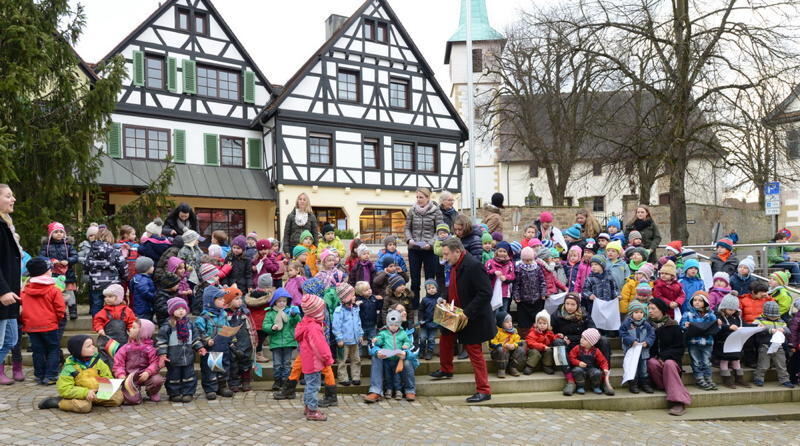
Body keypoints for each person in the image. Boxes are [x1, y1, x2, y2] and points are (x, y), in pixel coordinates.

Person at [429, 237, 494, 403]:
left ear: (457, 251)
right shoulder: (455, 265)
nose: (444, 258)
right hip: (455, 313)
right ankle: (446, 369)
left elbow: (485, 293)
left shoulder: (474, 266)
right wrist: (444, 298)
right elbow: (451, 286)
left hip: (473, 317)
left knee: (475, 352)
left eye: (446, 254)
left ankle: (484, 390)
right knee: (445, 337)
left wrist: (467, 312)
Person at [36, 335, 123, 412]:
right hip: (80, 394)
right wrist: (85, 393)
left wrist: (104, 387)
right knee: (83, 407)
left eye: (92, 344)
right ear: (77, 350)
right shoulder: (69, 368)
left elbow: (107, 376)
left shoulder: (98, 362)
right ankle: (59, 402)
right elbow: (65, 389)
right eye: (88, 346)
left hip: (96, 392)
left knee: (117, 398)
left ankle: (93, 401)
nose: (93, 347)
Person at [20, 257, 65, 385]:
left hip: (31, 325)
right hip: (49, 325)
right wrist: (58, 319)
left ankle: (39, 375)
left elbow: (22, 307)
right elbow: (60, 308)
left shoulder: (25, 290)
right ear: (46, 272)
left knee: (37, 350)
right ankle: (50, 375)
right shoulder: (53, 289)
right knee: (53, 349)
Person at [647, 298, 692, 416]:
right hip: (656, 362)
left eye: (653, 308)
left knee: (669, 363)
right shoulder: (647, 326)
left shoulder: (673, 326)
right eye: (648, 308)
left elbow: (679, 348)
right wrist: (657, 357)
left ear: (661, 310)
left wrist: (664, 357)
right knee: (651, 362)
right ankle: (669, 387)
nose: (649, 311)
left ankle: (678, 401)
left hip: (671, 362)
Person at [156, 297, 205, 403]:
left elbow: (195, 338)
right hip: (173, 357)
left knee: (189, 376)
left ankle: (188, 393)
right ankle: (174, 393)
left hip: (187, 356)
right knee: (174, 376)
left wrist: (200, 347)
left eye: (183, 308)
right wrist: (163, 354)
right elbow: (162, 341)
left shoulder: (190, 324)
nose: (181, 310)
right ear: (172, 311)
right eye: (178, 309)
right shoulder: (167, 326)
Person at [363, 309, 416, 402]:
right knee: (376, 358)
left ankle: (409, 390)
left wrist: (406, 352)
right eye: (391, 325)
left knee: (406, 363)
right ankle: (376, 391)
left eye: (396, 325)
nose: (394, 327)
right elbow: (374, 345)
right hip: (388, 359)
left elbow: (415, 349)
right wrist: (377, 348)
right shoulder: (383, 332)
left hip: (401, 360)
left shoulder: (406, 332)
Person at [296, 293, 334, 421]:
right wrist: (328, 358)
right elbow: (320, 346)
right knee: (314, 386)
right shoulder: (313, 327)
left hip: (308, 361)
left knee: (309, 384)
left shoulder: (306, 323)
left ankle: (308, 407)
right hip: (314, 361)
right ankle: (312, 410)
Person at [405, 187, 443, 309]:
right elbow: (407, 228)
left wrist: (431, 244)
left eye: (421, 197)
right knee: (415, 281)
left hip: (429, 251)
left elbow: (439, 230)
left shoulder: (436, 211)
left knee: (430, 279)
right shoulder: (412, 210)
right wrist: (409, 240)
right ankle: (415, 307)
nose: (419, 199)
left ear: (428, 198)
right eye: (417, 197)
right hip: (414, 250)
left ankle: (429, 305)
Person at [112, 319, 164, 405]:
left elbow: (155, 363)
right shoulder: (125, 348)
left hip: (146, 376)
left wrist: (148, 372)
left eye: (134, 327)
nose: (130, 329)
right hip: (130, 378)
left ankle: (152, 392)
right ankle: (134, 394)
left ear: (142, 332)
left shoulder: (150, 349)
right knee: (133, 400)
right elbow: (118, 363)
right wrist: (120, 374)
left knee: (157, 380)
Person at [195, 286, 234, 400]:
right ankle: (210, 388)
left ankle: (222, 386)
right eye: (220, 299)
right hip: (211, 347)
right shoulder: (204, 317)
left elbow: (228, 327)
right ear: (211, 301)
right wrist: (207, 340)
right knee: (210, 369)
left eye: (223, 299)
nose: (223, 301)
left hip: (223, 346)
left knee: (223, 367)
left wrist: (231, 336)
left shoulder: (224, 314)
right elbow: (200, 331)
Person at [263, 288, 300, 390]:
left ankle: (285, 381)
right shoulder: (270, 313)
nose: (282, 303)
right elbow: (265, 325)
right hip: (276, 343)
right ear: (275, 301)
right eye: (279, 301)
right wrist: (272, 327)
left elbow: (296, 323)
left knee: (287, 363)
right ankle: (277, 381)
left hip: (288, 342)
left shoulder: (290, 311)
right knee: (277, 364)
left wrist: (294, 316)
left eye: (284, 301)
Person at [84, 228, 127, 316]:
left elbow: (86, 266)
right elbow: (122, 266)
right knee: (114, 303)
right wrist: (124, 277)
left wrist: (89, 273)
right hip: (112, 283)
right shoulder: (115, 251)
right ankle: (113, 321)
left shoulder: (91, 252)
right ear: (110, 238)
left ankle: (97, 323)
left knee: (97, 304)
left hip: (96, 284)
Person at [41, 221, 78, 320]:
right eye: (56, 232)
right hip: (53, 274)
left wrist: (68, 260)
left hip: (68, 273)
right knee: (55, 293)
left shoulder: (69, 245)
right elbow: (42, 258)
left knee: (70, 292)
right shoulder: (46, 246)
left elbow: (75, 256)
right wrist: (51, 261)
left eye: (61, 232)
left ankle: (73, 310)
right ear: (50, 234)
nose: (59, 234)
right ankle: (56, 311)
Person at [681, 291, 718, 390]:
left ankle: (708, 377)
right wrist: (686, 325)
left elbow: (716, 328)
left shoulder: (711, 315)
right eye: (695, 300)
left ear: (705, 302)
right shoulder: (687, 314)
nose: (697, 302)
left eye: (700, 300)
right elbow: (682, 325)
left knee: (706, 361)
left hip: (707, 342)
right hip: (693, 342)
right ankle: (699, 378)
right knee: (696, 361)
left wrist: (718, 324)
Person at [714, 294, 750, 388]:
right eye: (730, 309)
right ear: (724, 308)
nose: (732, 312)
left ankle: (739, 378)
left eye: (734, 310)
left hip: (735, 343)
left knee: (736, 360)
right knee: (724, 361)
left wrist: (755, 326)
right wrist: (728, 327)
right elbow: (717, 328)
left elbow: (744, 325)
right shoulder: (718, 317)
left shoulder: (737, 317)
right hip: (723, 343)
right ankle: (727, 379)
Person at [620, 301, 655, 394]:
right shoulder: (626, 324)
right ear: (631, 313)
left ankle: (645, 384)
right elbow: (623, 333)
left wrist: (647, 342)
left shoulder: (646, 324)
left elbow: (651, 335)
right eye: (636, 312)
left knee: (644, 369)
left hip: (643, 351)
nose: (639, 315)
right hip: (631, 350)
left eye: (641, 312)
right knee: (632, 368)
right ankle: (633, 384)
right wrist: (631, 341)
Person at [565, 328, 613, 396]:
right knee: (577, 371)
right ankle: (580, 386)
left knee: (597, 372)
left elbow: (603, 361)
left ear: (591, 342)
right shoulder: (577, 348)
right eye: (581, 337)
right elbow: (571, 357)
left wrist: (605, 368)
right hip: (580, 368)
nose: (581, 340)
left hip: (591, 368)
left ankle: (596, 386)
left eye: (585, 339)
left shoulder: (596, 351)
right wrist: (578, 362)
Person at [512, 247, 547, 339]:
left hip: (537, 299)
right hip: (523, 300)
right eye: (525, 260)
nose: (527, 262)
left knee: (536, 319)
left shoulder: (537, 268)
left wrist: (543, 293)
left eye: (530, 260)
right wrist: (516, 296)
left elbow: (542, 281)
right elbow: (516, 284)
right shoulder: (519, 269)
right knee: (523, 321)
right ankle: (524, 337)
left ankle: (537, 336)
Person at [332, 283, 362, 386]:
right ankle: (343, 377)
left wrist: (360, 334)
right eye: (352, 295)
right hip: (343, 341)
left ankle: (356, 376)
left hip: (355, 339)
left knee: (356, 359)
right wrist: (339, 338)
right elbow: (336, 326)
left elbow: (358, 322)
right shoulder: (339, 311)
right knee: (342, 360)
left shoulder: (355, 308)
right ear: (345, 298)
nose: (355, 297)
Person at [245, 275, 274, 363]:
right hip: (262, 322)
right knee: (260, 339)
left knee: (259, 337)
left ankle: (258, 351)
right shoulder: (267, 297)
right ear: (268, 286)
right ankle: (258, 355)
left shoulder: (252, 295)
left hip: (253, 321)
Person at [490, 311, 525, 378]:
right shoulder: (496, 331)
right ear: (501, 323)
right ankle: (501, 369)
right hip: (498, 354)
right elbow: (492, 343)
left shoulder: (514, 331)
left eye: (511, 321)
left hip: (511, 352)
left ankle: (512, 367)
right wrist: (504, 345)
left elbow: (519, 341)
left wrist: (514, 345)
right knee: (501, 349)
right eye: (507, 322)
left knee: (521, 349)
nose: (510, 323)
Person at [523, 310, 557, 375]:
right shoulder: (533, 332)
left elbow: (553, 338)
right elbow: (531, 343)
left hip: (545, 350)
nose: (542, 325)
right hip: (534, 350)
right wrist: (543, 347)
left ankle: (547, 366)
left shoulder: (549, 333)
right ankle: (530, 366)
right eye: (540, 323)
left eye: (544, 324)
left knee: (549, 351)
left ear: (548, 324)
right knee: (535, 352)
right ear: (536, 324)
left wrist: (559, 336)